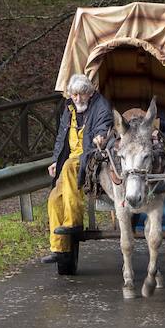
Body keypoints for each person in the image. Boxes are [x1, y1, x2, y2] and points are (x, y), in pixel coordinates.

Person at [44, 74, 112, 266]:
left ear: (90, 93)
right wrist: (55, 160)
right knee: (54, 198)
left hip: (90, 157)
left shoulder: (101, 106)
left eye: (82, 95)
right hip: (70, 159)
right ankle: (60, 250)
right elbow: (61, 137)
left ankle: (74, 221)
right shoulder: (68, 108)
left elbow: (104, 125)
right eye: (74, 94)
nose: (78, 98)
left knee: (69, 167)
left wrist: (100, 137)